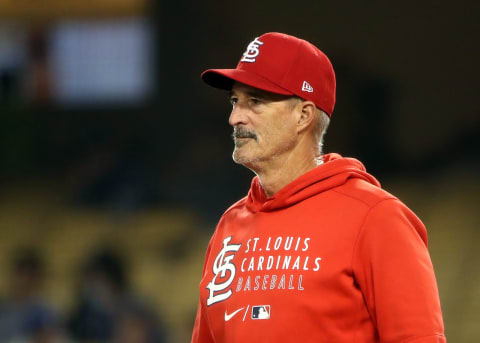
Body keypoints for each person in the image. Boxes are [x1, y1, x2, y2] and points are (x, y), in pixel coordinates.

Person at [191, 32, 446, 342]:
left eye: (255, 102)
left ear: (304, 116)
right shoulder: (229, 226)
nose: (234, 118)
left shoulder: (377, 217)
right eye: (235, 101)